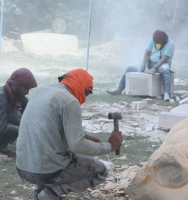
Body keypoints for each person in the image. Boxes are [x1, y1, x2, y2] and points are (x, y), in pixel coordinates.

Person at [16, 69, 123, 200]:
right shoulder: (70, 101)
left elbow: (47, 130)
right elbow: (77, 146)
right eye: (86, 93)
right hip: (45, 171)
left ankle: (38, 196)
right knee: (100, 170)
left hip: (23, 167)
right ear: (81, 86)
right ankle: (52, 193)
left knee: (44, 156)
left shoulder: (41, 91)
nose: (84, 98)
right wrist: (110, 146)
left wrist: (84, 137)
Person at [106, 30, 175, 101]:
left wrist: (153, 68)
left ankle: (166, 94)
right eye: (155, 42)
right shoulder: (152, 41)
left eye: (157, 42)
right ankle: (119, 90)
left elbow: (163, 60)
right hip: (150, 62)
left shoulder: (170, 44)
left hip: (162, 64)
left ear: (162, 39)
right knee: (131, 67)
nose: (156, 43)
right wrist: (146, 67)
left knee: (166, 70)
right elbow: (147, 54)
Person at [0, 68, 37, 158]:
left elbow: (31, 109)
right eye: (25, 88)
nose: (27, 92)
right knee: (16, 115)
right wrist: (26, 130)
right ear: (15, 85)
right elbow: (3, 126)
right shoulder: (1, 96)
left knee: (24, 113)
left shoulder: (16, 95)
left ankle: (2, 147)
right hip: (2, 125)